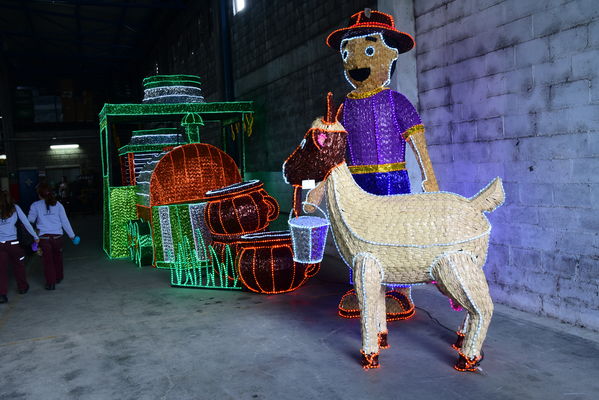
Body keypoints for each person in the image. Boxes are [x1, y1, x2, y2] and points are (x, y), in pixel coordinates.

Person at [326, 9, 439, 319]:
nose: (356, 61)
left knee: (394, 232)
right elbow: (335, 149)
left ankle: (400, 291)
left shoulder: (395, 101)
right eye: (348, 51)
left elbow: (417, 139)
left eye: (369, 49)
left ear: (390, 55)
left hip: (392, 180)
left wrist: (429, 176)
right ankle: (363, 285)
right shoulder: (344, 107)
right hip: (357, 182)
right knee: (358, 233)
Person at [28, 183, 79, 291]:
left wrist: (34, 235)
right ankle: (58, 277)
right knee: (58, 258)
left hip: (44, 239)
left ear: (39, 194)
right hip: (57, 238)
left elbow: (30, 222)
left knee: (47, 262)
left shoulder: (35, 205)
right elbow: (65, 222)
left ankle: (50, 283)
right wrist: (72, 236)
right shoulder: (58, 205)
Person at [0, 190, 39, 303]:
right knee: (19, 266)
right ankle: (22, 287)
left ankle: (2, 295)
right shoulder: (15, 208)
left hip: (0, 245)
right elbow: (26, 223)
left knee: (1, 270)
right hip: (14, 244)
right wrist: (35, 236)